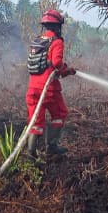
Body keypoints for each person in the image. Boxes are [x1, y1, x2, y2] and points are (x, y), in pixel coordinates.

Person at [25, 9, 76, 156]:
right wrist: (66, 70)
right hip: (49, 90)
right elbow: (56, 62)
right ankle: (52, 147)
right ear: (57, 26)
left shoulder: (37, 42)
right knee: (59, 114)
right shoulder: (56, 42)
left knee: (36, 120)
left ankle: (31, 153)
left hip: (32, 90)